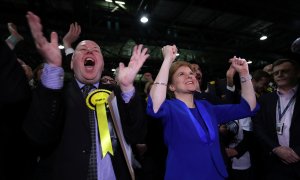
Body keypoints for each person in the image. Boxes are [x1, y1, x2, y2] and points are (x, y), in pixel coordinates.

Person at [23, 11, 149, 180]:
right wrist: (52, 68)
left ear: (102, 63)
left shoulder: (117, 95)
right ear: (72, 64)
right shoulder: (56, 94)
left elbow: (138, 135)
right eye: (82, 49)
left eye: (96, 50)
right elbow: (39, 137)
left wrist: (127, 88)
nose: (90, 51)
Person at [146, 45, 258, 180]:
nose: (190, 76)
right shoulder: (169, 108)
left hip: (216, 175)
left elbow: (249, 108)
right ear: (171, 86)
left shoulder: (207, 107)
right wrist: (168, 60)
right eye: (181, 74)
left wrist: (244, 73)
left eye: (191, 73)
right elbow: (155, 106)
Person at [253, 58, 300, 180]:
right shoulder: (265, 100)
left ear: (297, 73)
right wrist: (275, 148)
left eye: (285, 71)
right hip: (274, 162)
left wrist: (296, 152)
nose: (280, 75)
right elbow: (258, 127)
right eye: (276, 73)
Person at [1, 23, 36, 180]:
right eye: (17, 65)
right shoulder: (9, 92)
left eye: (22, 65)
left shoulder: (38, 92)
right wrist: (12, 40)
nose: (20, 68)